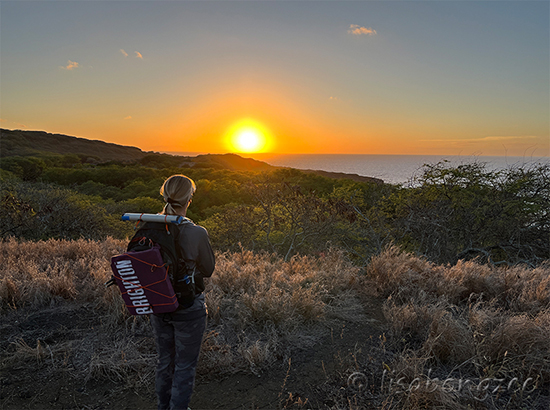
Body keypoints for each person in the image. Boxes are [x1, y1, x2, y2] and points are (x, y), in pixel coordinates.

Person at [150, 174, 215, 410]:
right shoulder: (196, 232)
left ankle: (163, 407)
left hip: (158, 303)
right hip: (189, 307)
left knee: (164, 361)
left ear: (164, 194)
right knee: (185, 365)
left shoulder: (148, 225)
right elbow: (207, 270)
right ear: (190, 198)